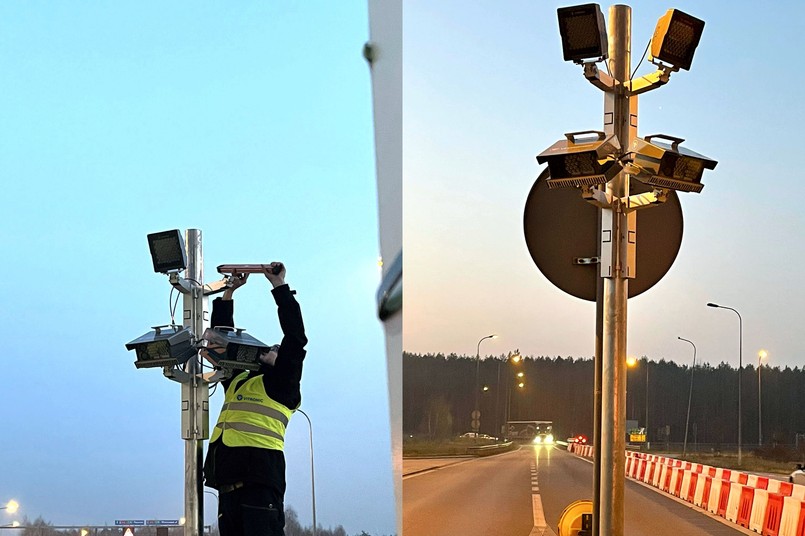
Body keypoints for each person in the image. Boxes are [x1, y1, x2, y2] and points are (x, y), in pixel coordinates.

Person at [202, 262, 307, 536]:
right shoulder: (239, 379)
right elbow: (221, 340)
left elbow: (295, 338)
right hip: (228, 489)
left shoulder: (283, 384)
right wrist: (229, 293)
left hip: (260, 487)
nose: (271, 349)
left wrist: (279, 286)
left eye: (275, 349)